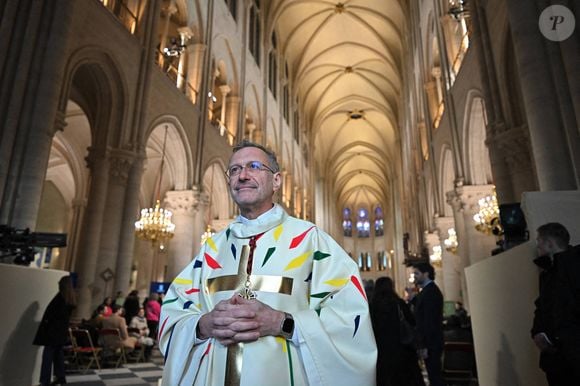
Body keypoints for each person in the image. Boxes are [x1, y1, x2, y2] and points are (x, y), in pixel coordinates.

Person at [159, 140, 377, 385]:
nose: (242, 175)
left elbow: (350, 319)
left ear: (276, 180)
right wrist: (202, 325)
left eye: (253, 166)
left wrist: (283, 323)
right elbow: (174, 311)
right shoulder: (212, 248)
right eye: (234, 170)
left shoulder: (311, 242)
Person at [531, 222, 580, 385]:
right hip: (556, 359)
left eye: (539, 244)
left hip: (573, 355)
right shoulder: (547, 273)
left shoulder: (573, 267)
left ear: (549, 244)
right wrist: (538, 332)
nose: (538, 249)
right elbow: (542, 307)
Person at [371, 276, 425, 386]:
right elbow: (411, 321)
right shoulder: (399, 303)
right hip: (402, 350)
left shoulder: (372, 306)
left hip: (381, 352)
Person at [33, 275, 76, 386]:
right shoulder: (69, 300)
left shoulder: (60, 299)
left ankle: (45, 381)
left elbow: (52, 316)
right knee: (58, 356)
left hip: (52, 333)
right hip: (60, 333)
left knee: (47, 357)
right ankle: (61, 377)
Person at [413, 262, 444, 386]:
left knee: (435, 377)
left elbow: (429, 322)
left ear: (426, 274)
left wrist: (424, 345)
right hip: (430, 343)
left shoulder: (431, 293)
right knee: (433, 376)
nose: (414, 276)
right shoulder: (426, 291)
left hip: (431, 344)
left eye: (416, 273)